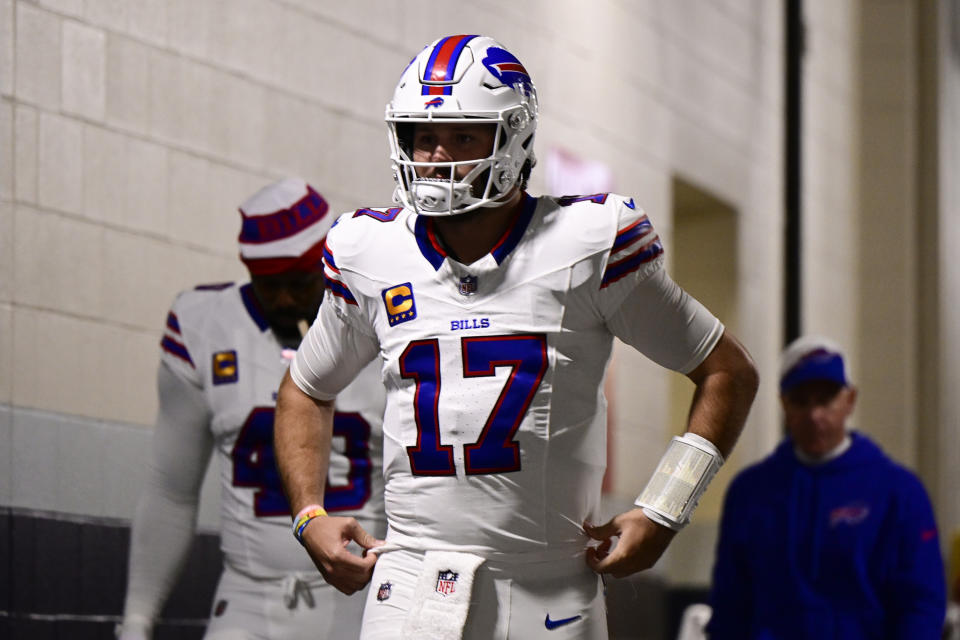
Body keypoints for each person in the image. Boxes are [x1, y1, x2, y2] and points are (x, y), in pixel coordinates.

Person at [274, 35, 758, 640]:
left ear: (514, 139)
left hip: (546, 590)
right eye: (424, 137)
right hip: (409, 585)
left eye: (465, 136)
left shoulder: (587, 243)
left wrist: (666, 507)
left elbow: (727, 372)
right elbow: (304, 389)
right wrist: (307, 514)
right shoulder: (370, 250)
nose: (438, 156)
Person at [117, 178, 386, 640]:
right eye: (269, 285)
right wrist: (137, 623)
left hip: (364, 594)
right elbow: (171, 490)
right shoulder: (205, 324)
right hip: (248, 597)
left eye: (297, 283)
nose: (283, 299)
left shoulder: (385, 316)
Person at [707, 335, 947, 639]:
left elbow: (921, 603)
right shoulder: (751, 494)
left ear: (849, 400)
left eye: (825, 399)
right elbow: (730, 603)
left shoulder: (899, 493)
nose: (814, 415)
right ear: (783, 403)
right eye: (801, 401)